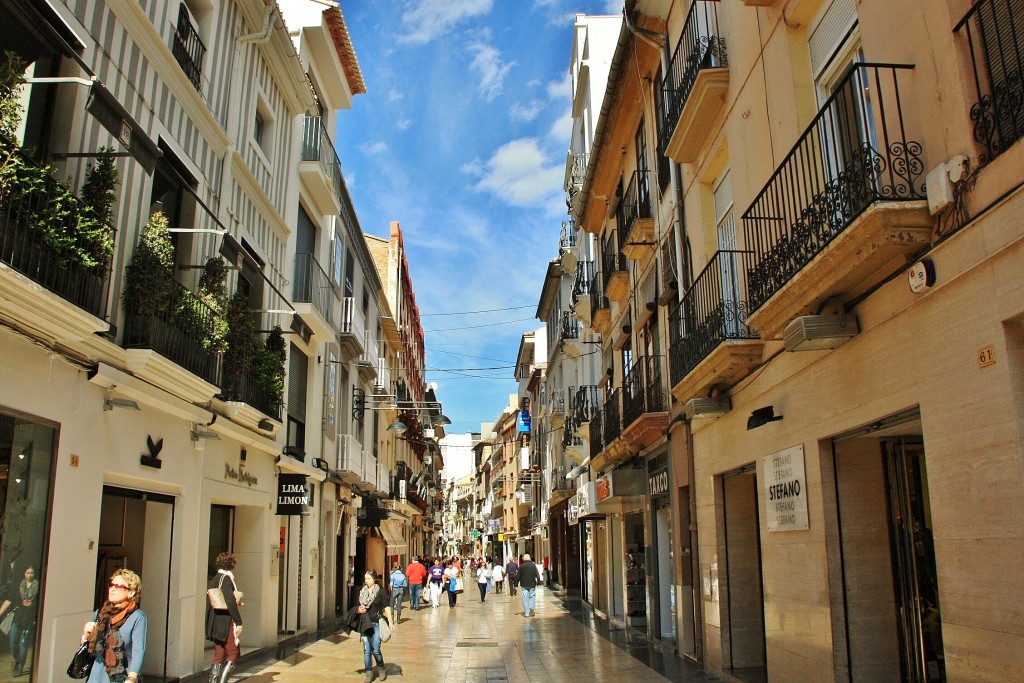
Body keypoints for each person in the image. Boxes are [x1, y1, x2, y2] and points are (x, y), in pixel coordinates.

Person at [82, 568, 147, 683]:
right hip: (96, 677)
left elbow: (138, 651)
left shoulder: (137, 617)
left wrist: (131, 678)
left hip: (121, 677)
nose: (112, 589)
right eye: (111, 585)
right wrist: (86, 636)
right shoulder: (100, 614)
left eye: (119, 586)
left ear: (131, 592)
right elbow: (91, 650)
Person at [205, 552, 243, 683]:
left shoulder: (216, 578)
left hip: (215, 621)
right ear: (231, 564)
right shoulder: (226, 578)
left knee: (219, 655)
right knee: (233, 654)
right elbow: (229, 600)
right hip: (224, 622)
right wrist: (238, 622)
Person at [0, 566, 38, 677]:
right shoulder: (19, 586)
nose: (30, 575)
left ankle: (20, 667)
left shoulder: (38, 586)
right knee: (13, 642)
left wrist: (33, 606)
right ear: (24, 573)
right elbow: (10, 599)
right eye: (27, 573)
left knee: (23, 644)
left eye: (32, 573)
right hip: (17, 617)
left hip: (29, 618)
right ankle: (17, 660)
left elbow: (42, 603)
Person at [357, 569, 392, 682]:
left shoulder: (381, 592)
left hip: (376, 623)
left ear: (374, 579)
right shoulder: (363, 592)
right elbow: (357, 607)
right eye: (365, 578)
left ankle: (381, 667)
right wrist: (358, 611)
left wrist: (391, 622)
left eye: (368, 579)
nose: (366, 581)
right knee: (367, 650)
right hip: (365, 623)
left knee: (375, 649)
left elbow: (386, 607)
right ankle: (369, 672)